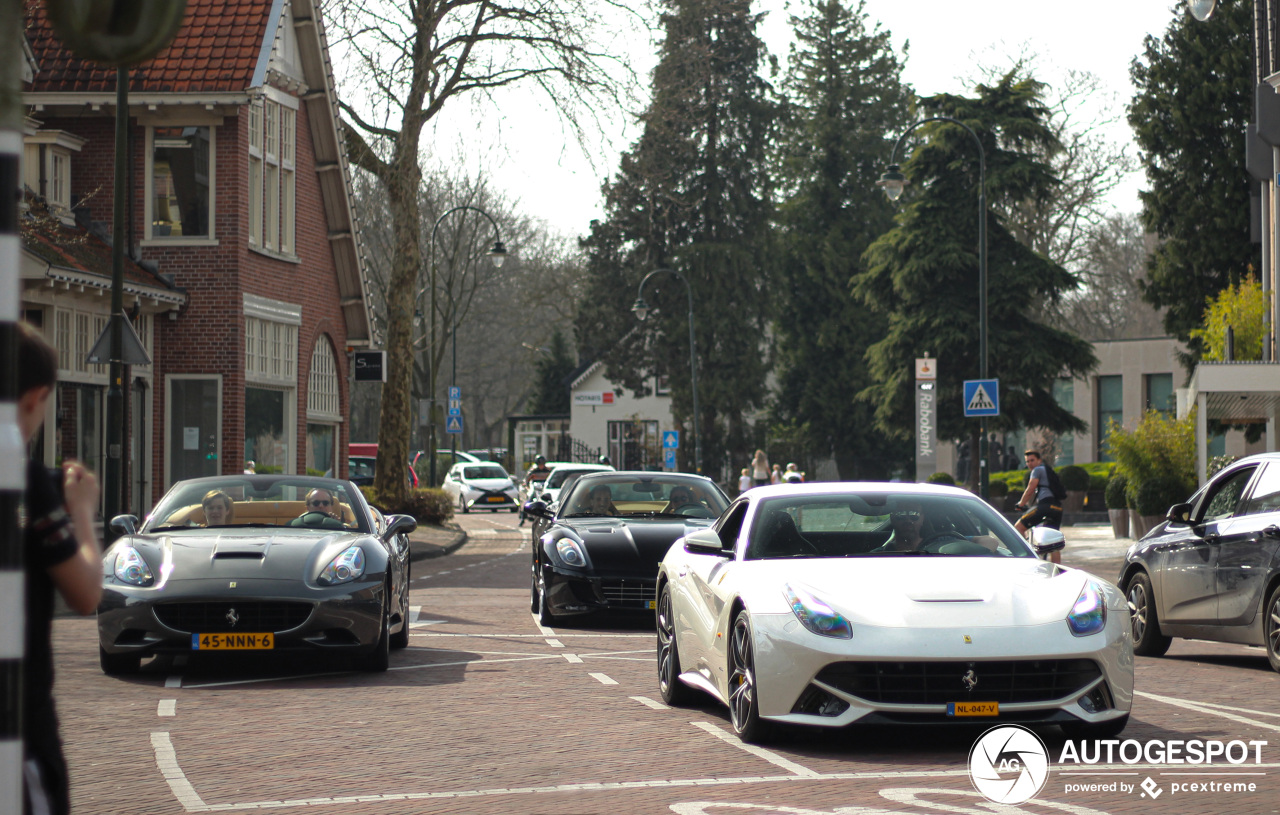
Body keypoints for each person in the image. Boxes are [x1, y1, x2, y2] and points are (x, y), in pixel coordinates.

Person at [18, 321, 103, 815]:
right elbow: (85, 592)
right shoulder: (24, 475)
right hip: (21, 720)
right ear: (36, 398)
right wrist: (82, 512)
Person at [1014, 449, 1064, 563]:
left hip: (1045, 506)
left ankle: (1028, 556)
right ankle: (1058, 570)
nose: (1029, 464)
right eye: (1027, 461)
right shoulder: (1048, 471)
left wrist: (1020, 504)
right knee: (1053, 541)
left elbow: (1031, 488)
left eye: (1032, 460)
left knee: (1018, 527)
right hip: (1057, 508)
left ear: (1039, 460)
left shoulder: (1037, 470)